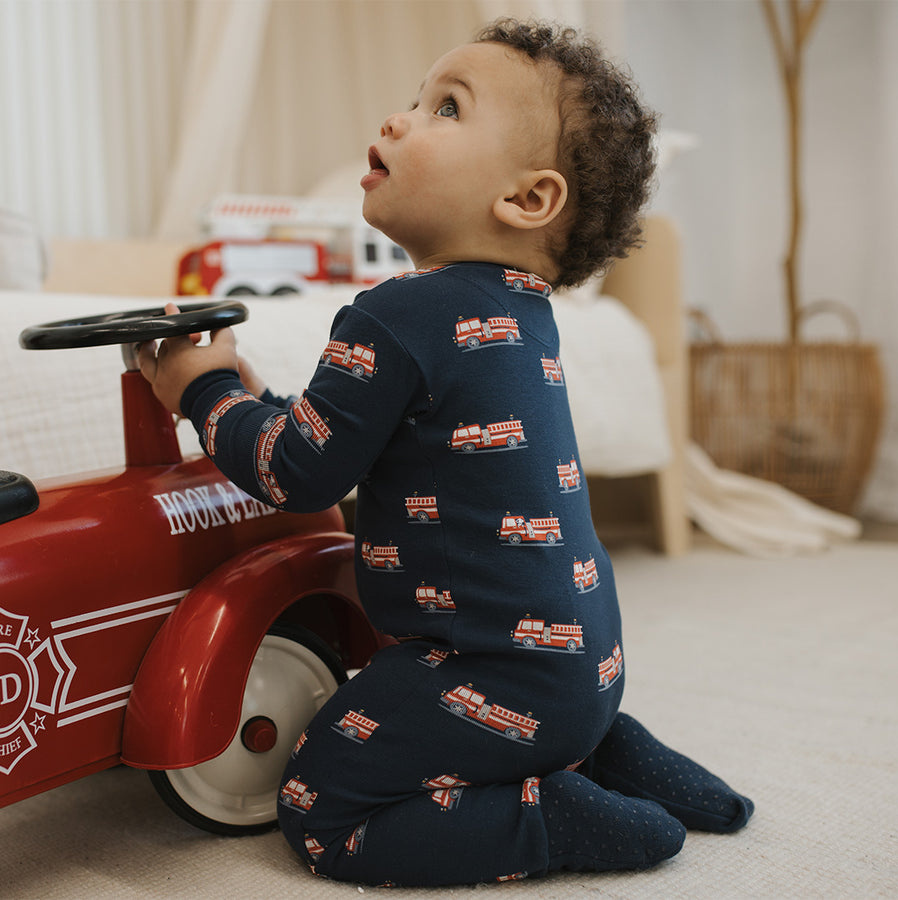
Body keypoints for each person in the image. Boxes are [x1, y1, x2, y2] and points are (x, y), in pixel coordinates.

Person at [139, 18, 752, 887]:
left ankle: (550, 815)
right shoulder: (522, 312)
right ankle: (610, 750)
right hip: (585, 667)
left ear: (528, 199)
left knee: (320, 809)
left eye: (446, 108)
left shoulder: (396, 313)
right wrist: (258, 397)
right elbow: (354, 431)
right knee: (544, 710)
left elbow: (300, 470)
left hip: (489, 675)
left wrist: (202, 394)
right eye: (414, 101)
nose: (397, 120)